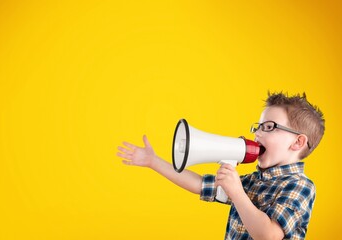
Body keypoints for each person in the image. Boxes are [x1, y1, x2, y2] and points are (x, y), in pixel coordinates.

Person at [117, 92, 325, 239]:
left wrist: (237, 193)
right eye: (258, 126)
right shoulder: (252, 181)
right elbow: (199, 184)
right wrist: (153, 162)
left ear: (298, 142)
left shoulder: (300, 186)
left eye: (269, 127)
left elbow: (269, 235)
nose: (257, 133)